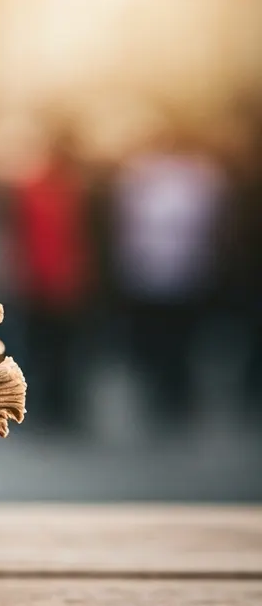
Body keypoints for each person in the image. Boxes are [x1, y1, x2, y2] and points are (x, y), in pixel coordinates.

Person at [113, 123, 226, 426]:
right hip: (152, 274)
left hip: (181, 273)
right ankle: (163, 390)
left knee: (180, 337)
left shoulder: (196, 175)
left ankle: (176, 392)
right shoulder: (142, 175)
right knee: (159, 337)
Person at [11, 129, 91, 430]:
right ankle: (45, 404)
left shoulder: (73, 189)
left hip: (65, 281)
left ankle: (62, 403)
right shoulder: (33, 188)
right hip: (43, 281)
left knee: (65, 350)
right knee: (45, 349)